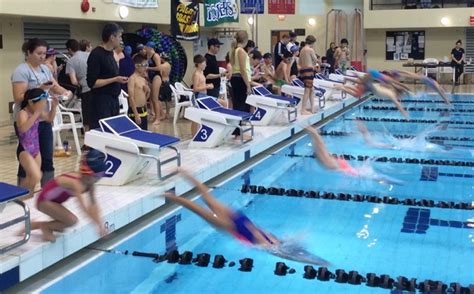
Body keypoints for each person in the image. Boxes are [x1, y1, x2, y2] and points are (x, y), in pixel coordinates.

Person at [164, 169, 330, 265]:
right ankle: (172, 196)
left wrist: (316, 261)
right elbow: (288, 254)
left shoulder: (275, 240)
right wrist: (318, 262)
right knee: (199, 209)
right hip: (235, 227)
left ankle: (183, 172)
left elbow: (289, 250)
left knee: (208, 198)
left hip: (241, 222)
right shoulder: (273, 245)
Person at [12, 38, 72, 186]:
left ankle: (48, 191)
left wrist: (66, 92)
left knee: (46, 157)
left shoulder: (45, 69)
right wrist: (40, 88)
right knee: (28, 158)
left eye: (44, 53)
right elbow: (19, 98)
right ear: (28, 52)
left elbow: (55, 86)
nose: (42, 57)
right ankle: (23, 193)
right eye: (39, 53)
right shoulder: (21, 71)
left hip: (43, 117)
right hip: (27, 119)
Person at [29, 148, 107, 242]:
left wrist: (100, 225)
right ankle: (45, 227)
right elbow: (84, 208)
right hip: (44, 201)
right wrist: (96, 225)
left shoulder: (90, 184)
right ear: (88, 173)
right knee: (72, 221)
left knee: (61, 227)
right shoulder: (76, 184)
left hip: (53, 202)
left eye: (100, 176)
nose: (98, 179)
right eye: (97, 176)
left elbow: (93, 206)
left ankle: (32, 225)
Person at [304, 126, 403, 185]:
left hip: (354, 171)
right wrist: (314, 133)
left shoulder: (327, 162)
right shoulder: (328, 162)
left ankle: (397, 182)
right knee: (379, 177)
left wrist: (314, 134)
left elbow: (321, 147)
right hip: (354, 171)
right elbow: (321, 147)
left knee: (379, 177)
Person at [16, 89, 58, 197]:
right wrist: (36, 114)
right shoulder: (23, 113)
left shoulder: (37, 112)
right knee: (36, 175)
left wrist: (53, 107)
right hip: (24, 151)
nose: (42, 107)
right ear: (30, 102)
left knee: (33, 180)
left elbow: (49, 119)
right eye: (41, 104)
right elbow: (23, 129)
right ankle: (17, 195)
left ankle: (26, 198)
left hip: (36, 150)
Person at [87, 23, 128, 129]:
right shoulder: (96, 54)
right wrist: (115, 79)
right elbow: (92, 83)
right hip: (101, 102)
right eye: (119, 36)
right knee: (103, 133)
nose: (121, 40)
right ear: (112, 37)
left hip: (113, 101)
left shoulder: (110, 53)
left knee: (113, 133)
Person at [65, 39, 92, 130]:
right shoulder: (90, 55)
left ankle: (88, 140)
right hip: (98, 88)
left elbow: (73, 81)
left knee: (87, 119)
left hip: (86, 90)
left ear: (69, 50)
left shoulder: (71, 61)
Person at [230, 31, 252, 137]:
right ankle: (238, 132)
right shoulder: (241, 51)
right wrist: (248, 85)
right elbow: (243, 70)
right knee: (240, 106)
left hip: (235, 79)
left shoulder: (234, 50)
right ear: (246, 40)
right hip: (240, 79)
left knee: (237, 105)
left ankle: (236, 130)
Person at [127, 54, 150, 130]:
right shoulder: (132, 79)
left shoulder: (143, 79)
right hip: (135, 111)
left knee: (144, 132)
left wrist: (147, 91)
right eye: (144, 65)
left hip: (143, 110)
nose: (146, 68)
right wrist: (136, 114)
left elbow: (145, 97)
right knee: (136, 134)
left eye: (147, 65)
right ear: (136, 66)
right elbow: (131, 98)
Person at [298, 35, 318, 115]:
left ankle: (312, 108)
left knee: (311, 89)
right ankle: (303, 110)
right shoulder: (310, 50)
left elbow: (300, 62)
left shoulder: (302, 50)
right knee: (307, 90)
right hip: (309, 71)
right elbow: (316, 60)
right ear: (312, 42)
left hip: (303, 70)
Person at [144, 41, 163, 124]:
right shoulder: (147, 56)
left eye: (146, 47)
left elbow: (159, 68)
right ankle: (157, 116)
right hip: (151, 78)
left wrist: (148, 69)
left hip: (157, 77)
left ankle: (158, 119)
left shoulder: (156, 56)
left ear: (150, 48)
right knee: (152, 98)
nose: (145, 49)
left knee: (155, 98)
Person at [159, 54, 173, 120]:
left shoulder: (162, 66)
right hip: (168, 82)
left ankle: (162, 114)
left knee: (160, 100)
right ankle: (168, 113)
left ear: (162, 59)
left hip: (163, 83)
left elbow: (161, 74)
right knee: (168, 99)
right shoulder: (169, 65)